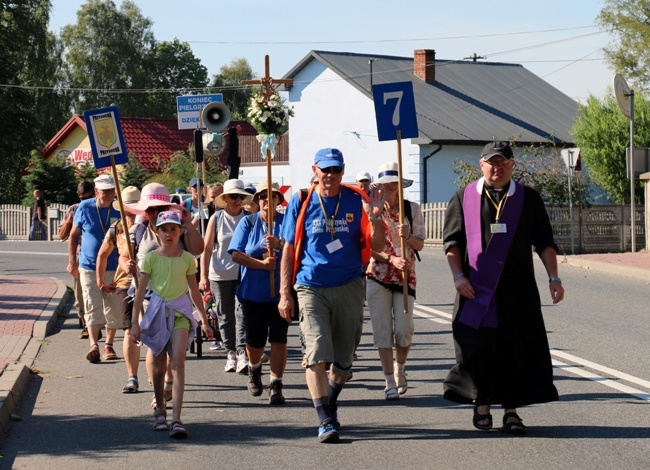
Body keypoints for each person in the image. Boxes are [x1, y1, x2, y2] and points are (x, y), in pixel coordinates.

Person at [442, 141, 565, 435]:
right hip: (475, 292)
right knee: (477, 348)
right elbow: (452, 244)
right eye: (491, 162)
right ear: (480, 165)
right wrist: (459, 277)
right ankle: (481, 402)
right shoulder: (463, 198)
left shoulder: (528, 199)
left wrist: (554, 278)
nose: (497, 168)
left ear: (512, 166)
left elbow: (545, 242)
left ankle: (511, 411)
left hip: (517, 293)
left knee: (515, 350)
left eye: (503, 162)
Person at [279, 148, 385, 443]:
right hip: (310, 285)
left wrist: (375, 219)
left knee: (344, 362)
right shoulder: (301, 200)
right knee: (316, 354)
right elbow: (288, 248)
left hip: (350, 284)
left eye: (336, 170)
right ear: (315, 169)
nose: (330, 175)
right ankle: (325, 419)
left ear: (342, 171)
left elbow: (376, 243)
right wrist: (284, 293)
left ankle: (332, 400)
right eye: (325, 169)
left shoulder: (356, 200)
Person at [130, 210, 213, 438]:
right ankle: (160, 409)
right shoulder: (151, 258)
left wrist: (204, 320)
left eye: (173, 229)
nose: (169, 234)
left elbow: (194, 291)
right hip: (157, 312)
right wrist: (135, 324)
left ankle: (177, 418)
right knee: (158, 368)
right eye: (164, 229)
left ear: (180, 231)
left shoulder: (187, 259)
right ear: (157, 232)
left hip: (181, 314)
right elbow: (139, 293)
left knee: (177, 362)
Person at [122, 183, 204, 408]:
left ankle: (168, 379)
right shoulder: (138, 231)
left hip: (177, 300)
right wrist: (127, 265)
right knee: (155, 346)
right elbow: (123, 256)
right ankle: (157, 393)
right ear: (145, 212)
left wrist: (187, 224)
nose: (155, 213)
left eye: (160, 208)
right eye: (150, 210)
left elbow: (198, 249)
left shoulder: (178, 229)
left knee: (173, 354)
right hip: (148, 297)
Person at [366, 161, 425, 400]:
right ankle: (388, 380)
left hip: (404, 278)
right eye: (385, 187)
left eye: (394, 186)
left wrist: (407, 236)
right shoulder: (372, 211)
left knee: (404, 330)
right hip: (378, 275)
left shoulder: (412, 210)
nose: (389, 191)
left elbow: (420, 244)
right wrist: (390, 259)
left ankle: (400, 367)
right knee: (382, 332)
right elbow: (368, 247)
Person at [228, 181, 289, 404]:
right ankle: (254, 370)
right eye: (262, 196)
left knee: (279, 339)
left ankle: (276, 384)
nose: (266, 200)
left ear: (277, 200)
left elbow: (297, 247)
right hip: (253, 292)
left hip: (281, 293)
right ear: (257, 201)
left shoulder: (286, 222)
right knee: (255, 341)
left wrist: (280, 243)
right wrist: (261, 264)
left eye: (271, 196)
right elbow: (235, 253)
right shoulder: (248, 222)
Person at [67, 175, 122, 363]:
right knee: (92, 303)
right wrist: (72, 261)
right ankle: (93, 344)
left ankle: (109, 345)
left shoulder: (119, 208)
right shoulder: (85, 207)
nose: (108, 194)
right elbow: (73, 235)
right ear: (96, 191)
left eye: (111, 191)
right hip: (89, 265)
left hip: (114, 266)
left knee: (113, 307)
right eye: (104, 191)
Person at [200, 179, 252, 374]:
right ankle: (230, 352)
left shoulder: (249, 217)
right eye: (233, 196)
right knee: (225, 315)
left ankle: (241, 353)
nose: (237, 200)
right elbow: (206, 250)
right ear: (225, 198)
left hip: (244, 273)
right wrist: (203, 276)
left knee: (242, 313)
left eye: (240, 196)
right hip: (220, 274)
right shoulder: (217, 218)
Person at [95, 186, 141, 393]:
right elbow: (103, 254)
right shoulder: (116, 229)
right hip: (125, 285)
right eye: (127, 207)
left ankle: (157, 372)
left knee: (155, 331)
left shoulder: (152, 226)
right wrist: (100, 279)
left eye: (134, 207)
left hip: (153, 285)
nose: (130, 212)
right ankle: (132, 377)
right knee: (130, 330)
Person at [59, 180, 95, 339]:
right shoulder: (73, 209)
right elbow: (62, 236)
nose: (84, 202)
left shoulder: (100, 207)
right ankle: (86, 324)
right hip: (81, 256)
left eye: (87, 198)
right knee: (80, 292)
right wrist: (69, 221)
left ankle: (97, 324)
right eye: (81, 199)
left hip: (99, 257)